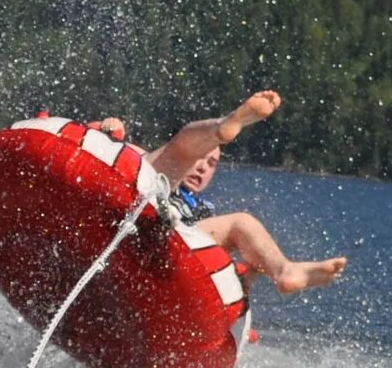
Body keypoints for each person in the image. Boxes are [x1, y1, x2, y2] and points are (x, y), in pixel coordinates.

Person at [101, 91, 347, 293]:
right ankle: (222, 127)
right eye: (201, 158)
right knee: (162, 162)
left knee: (241, 223)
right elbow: (108, 152)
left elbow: (215, 266)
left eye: (212, 165)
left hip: (171, 247)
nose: (202, 169)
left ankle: (284, 270)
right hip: (136, 204)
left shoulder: (204, 212)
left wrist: (247, 278)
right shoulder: (151, 159)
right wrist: (107, 130)